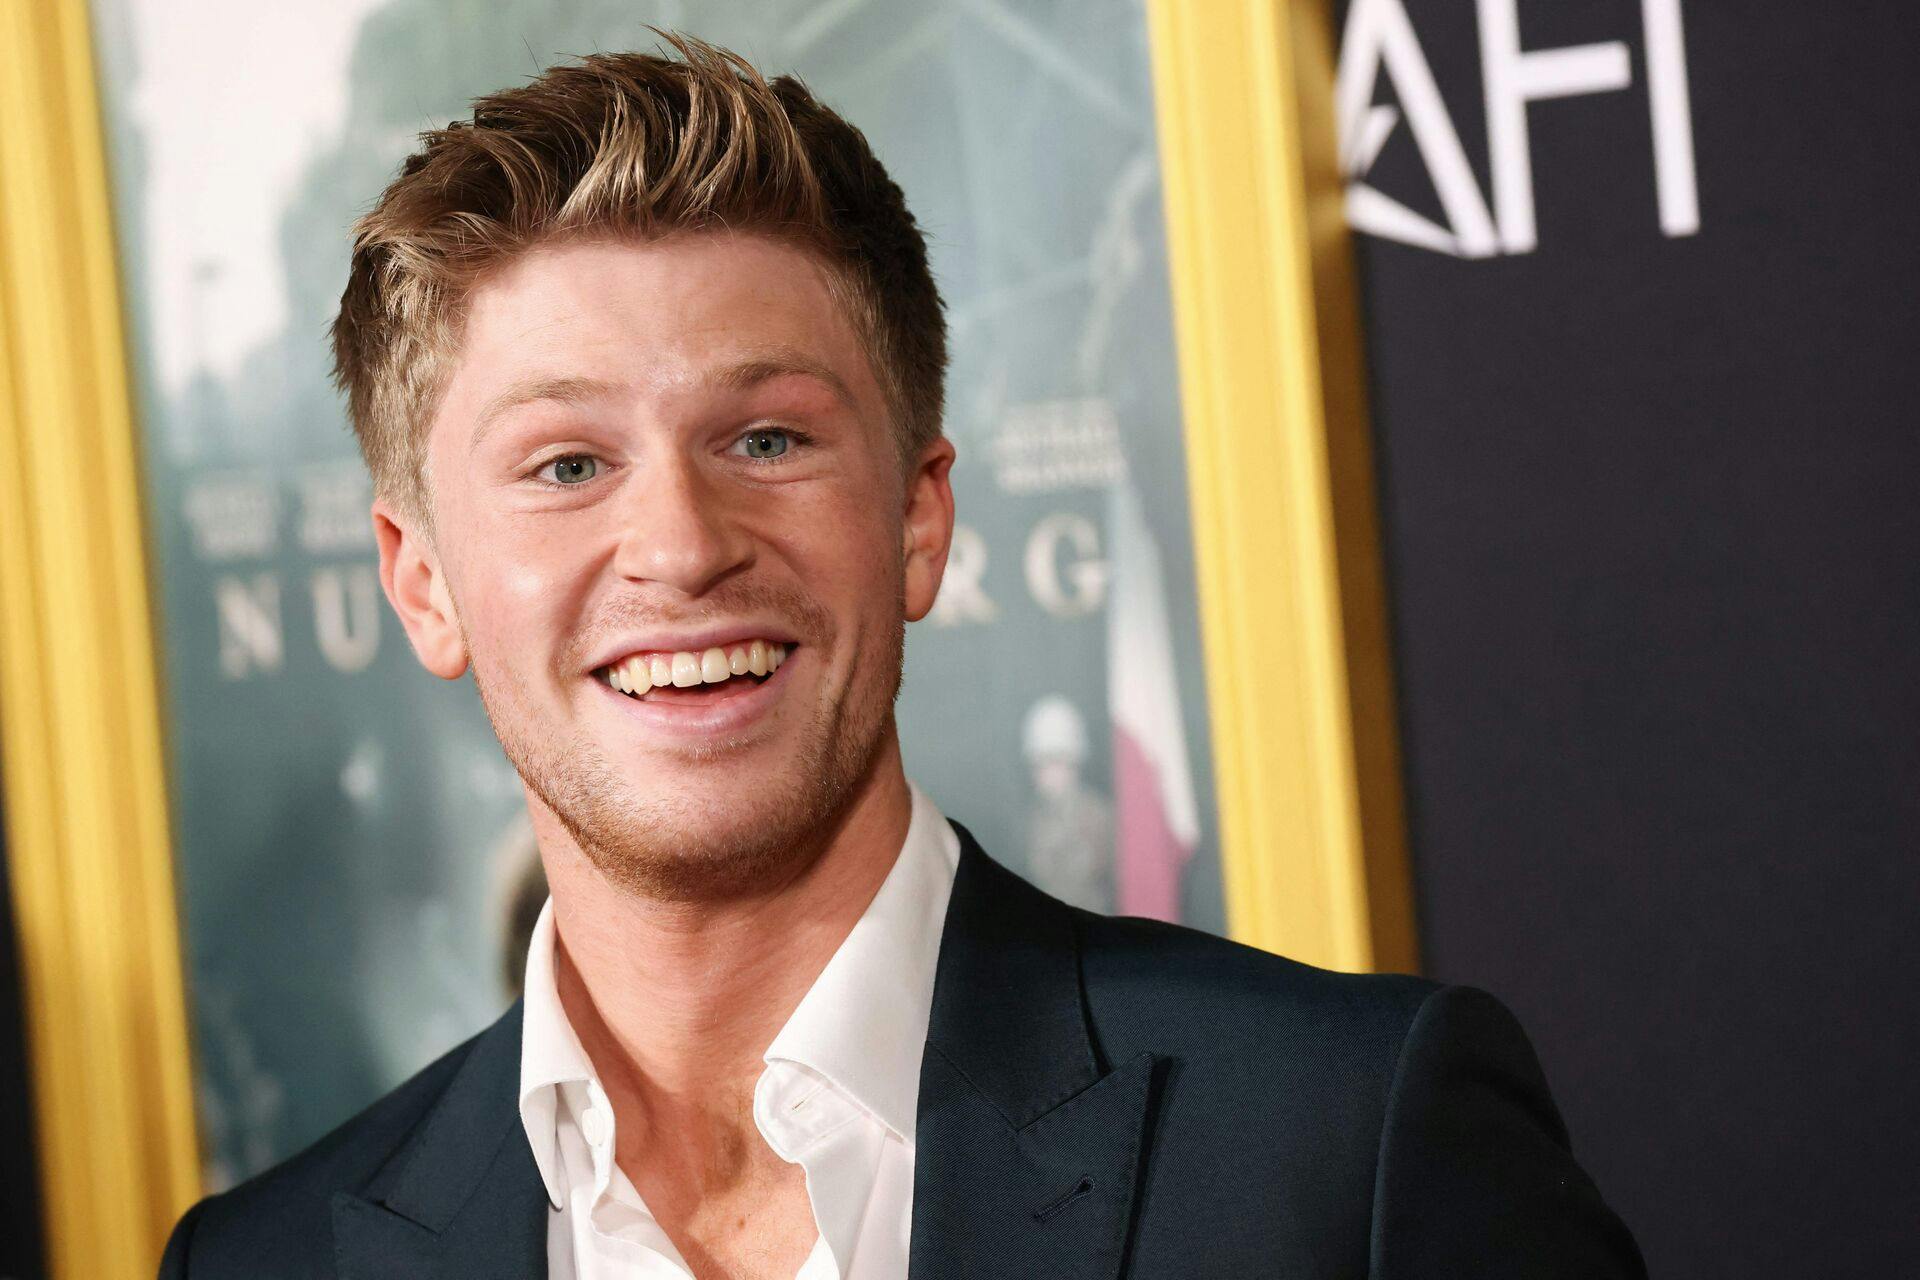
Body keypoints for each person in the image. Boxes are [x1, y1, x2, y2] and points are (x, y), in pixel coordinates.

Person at [158, 35, 1644, 1279]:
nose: (681, 546)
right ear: (422, 584)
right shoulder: (263, 1263)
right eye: (564, 465)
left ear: (919, 520)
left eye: (767, 438)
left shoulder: (1350, 1148)